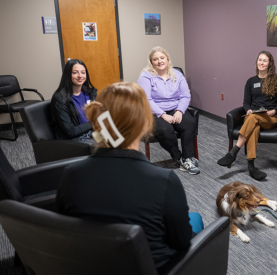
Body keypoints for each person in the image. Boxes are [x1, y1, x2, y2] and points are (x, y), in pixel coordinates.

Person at [56, 82, 204, 271]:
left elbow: (65, 232)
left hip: (91, 267)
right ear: (145, 125)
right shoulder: (164, 180)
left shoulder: (70, 175)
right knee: (196, 219)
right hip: (156, 268)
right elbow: (181, 242)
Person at [217, 51, 277, 180]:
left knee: (252, 118)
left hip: (269, 118)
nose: (262, 63)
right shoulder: (250, 81)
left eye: (265, 60)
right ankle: (251, 167)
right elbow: (246, 102)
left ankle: (234, 151)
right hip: (254, 116)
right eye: (260, 60)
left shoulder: (276, 80)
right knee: (253, 124)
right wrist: (248, 110)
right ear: (257, 62)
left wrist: (273, 111)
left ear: (270, 63)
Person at [137, 46, 199, 175]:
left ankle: (187, 158)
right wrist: (163, 115)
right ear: (151, 62)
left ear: (167, 59)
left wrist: (180, 111)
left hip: (175, 109)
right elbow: (146, 100)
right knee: (166, 130)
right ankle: (179, 157)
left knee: (190, 124)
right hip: (154, 112)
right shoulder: (146, 76)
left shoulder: (177, 74)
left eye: (162, 58)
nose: (159, 61)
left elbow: (185, 95)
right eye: (155, 59)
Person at [50, 59, 96, 143]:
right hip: (76, 139)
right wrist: (92, 124)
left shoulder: (90, 93)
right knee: (107, 145)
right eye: (75, 72)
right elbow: (71, 131)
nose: (80, 76)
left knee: (121, 135)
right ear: (68, 75)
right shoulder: (60, 99)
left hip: (92, 132)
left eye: (83, 72)